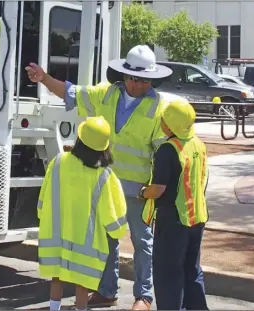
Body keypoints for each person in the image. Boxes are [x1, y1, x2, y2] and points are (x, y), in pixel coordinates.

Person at [26, 45, 173, 310]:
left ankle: (144, 296)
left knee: (143, 242)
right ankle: (107, 291)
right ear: (124, 75)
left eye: (144, 79)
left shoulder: (159, 107)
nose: (138, 84)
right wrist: (44, 78)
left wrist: (156, 188)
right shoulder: (105, 94)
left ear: (152, 79)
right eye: (133, 78)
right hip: (104, 184)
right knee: (106, 242)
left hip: (138, 189)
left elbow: (164, 152)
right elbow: (71, 93)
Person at [37, 116, 128, 311]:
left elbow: (43, 196)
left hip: (56, 237)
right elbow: (114, 214)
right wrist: (117, 231)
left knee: (57, 276)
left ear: (79, 139)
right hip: (87, 244)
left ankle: (54, 308)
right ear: (104, 147)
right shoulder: (104, 176)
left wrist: (41, 213)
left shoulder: (59, 161)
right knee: (82, 283)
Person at [139, 98, 209, 310]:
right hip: (197, 218)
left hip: (173, 221)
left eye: (163, 119)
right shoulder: (198, 144)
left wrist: (143, 192)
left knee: (168, 273)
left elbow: (158, 189)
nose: (161, 122)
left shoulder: (167, 150)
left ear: (170, 125)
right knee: (192, 270)